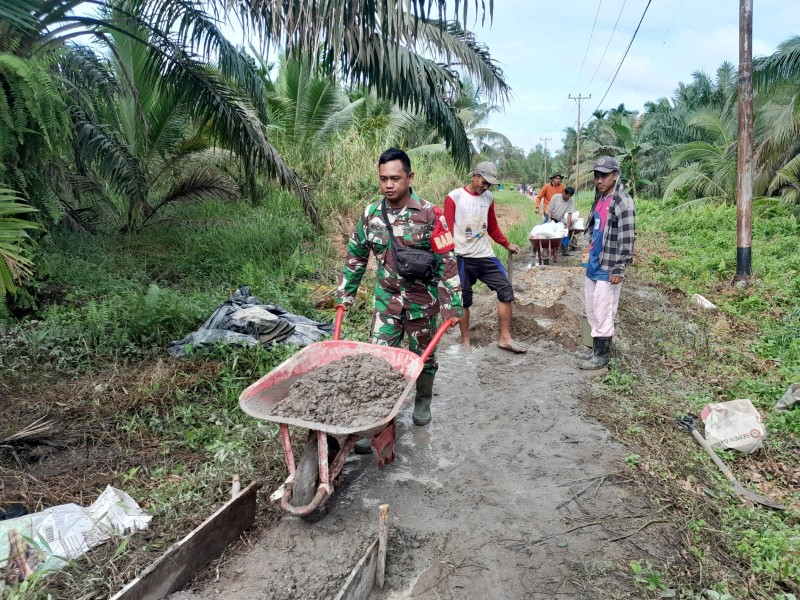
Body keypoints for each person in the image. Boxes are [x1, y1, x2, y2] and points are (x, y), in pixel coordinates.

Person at [335, 148, 462, 438]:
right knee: (378, 360)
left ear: (410, 177)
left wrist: (452, 305)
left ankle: (422, 400)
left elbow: (447, 261)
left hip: (422, 304)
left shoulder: (430, 214)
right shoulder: (370, 215)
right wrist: (345, 294)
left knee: (423, 357)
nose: (389, 185)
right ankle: (375, 421)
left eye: (395, 178)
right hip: (387, 302)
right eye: (384, 179)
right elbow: (356, 257)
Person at [444, 161, 527, 354]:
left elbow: (492, 226)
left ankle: (505, 338)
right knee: (464, 299)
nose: (486, 186)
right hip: (462, 256)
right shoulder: (455, 197)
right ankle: (465, 341)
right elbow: (446, 231)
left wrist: (506, 243)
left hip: (484, 255)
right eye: (484, 182)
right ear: (474, 175)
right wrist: (445, 261)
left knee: (505, 290)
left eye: (489, 184)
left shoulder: (488, 197)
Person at [579, 156, 635, 370]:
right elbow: (594, 229)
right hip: (594, 263)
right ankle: (595, 350)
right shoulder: (600, 198)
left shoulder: (623, 202)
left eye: (604, 176)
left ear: (615, 175)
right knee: (592, 308)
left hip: (609, 266)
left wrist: (620, 267)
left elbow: (627, 238)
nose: (599, 180)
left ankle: (602, 356)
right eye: (596, 176)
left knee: (604, 309)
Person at [545, 186, 576, 256]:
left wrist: (567, 226)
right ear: (564, 193)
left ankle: (565, 250)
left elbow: (569, 214)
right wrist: (549, 219)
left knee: (565, 232)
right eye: (568, 195)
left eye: (570, 196)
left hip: (559, 219)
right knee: (544, 232)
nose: (569, 197)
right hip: (550, 216)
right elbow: (549, 210)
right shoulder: (555, 197)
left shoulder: (571, 200)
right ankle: (536, 249)